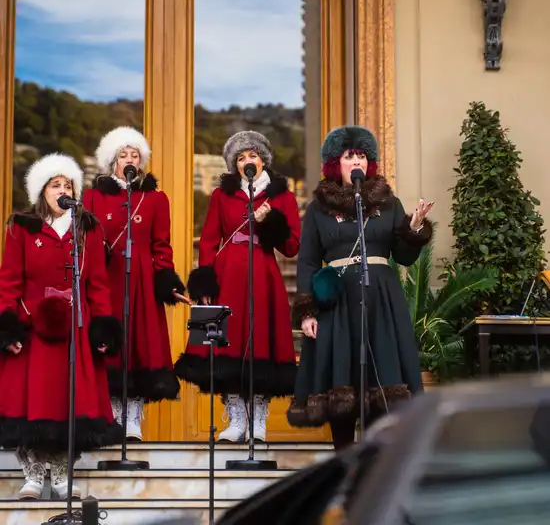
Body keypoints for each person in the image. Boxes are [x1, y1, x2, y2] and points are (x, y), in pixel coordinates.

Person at [287, 126, 434, 451]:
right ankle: (344, 461)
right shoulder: (317, 209)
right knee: (342, 385)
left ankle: (373, 462)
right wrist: (307, 311)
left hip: (382, 302)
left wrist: (414, 226)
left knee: (381, 382)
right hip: (337, 305)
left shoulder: (388, 202)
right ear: (334, 163)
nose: (356, 162)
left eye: (362, 156)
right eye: (349, 156)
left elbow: (405, 256)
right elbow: (308, 262)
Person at [0, 153, 123, 500]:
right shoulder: (22, 227)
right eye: (56, 184)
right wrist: (8, 327)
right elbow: (9, 281)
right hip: (33, 326)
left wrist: (103, 327)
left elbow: (98, 282)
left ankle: (61, 474)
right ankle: (34, 475)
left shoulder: (87, 229)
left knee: (70, 401)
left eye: (68, 184)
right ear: (42, 191)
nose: (63, 189)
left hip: (76, 327)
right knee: (34, 402)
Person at [175, 131, 300, 442]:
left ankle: (258, 419)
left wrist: (270, 221)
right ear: (234, 165)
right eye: (241, 157)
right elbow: (208, 240)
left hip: (263, 275)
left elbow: (291, 246)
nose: (247, 161)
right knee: (226, 347)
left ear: (263, 160)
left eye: (252, 155)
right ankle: (235, 418)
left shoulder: (281, 196)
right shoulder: (221, 195)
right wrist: (204, 280)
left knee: (260, 345)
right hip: (227, 275)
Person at [83, 126, 187, 442]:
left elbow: (161, 244)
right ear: (112, 161)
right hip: (106, 279)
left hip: (140, 280)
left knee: (140, 344)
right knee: (110, 343)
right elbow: (84, 240)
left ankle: (133, 421)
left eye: (135, 154)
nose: (129, 159)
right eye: (123, 154)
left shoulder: (155, 198)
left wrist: (166, 278)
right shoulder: (91, 196)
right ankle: (112, 416)